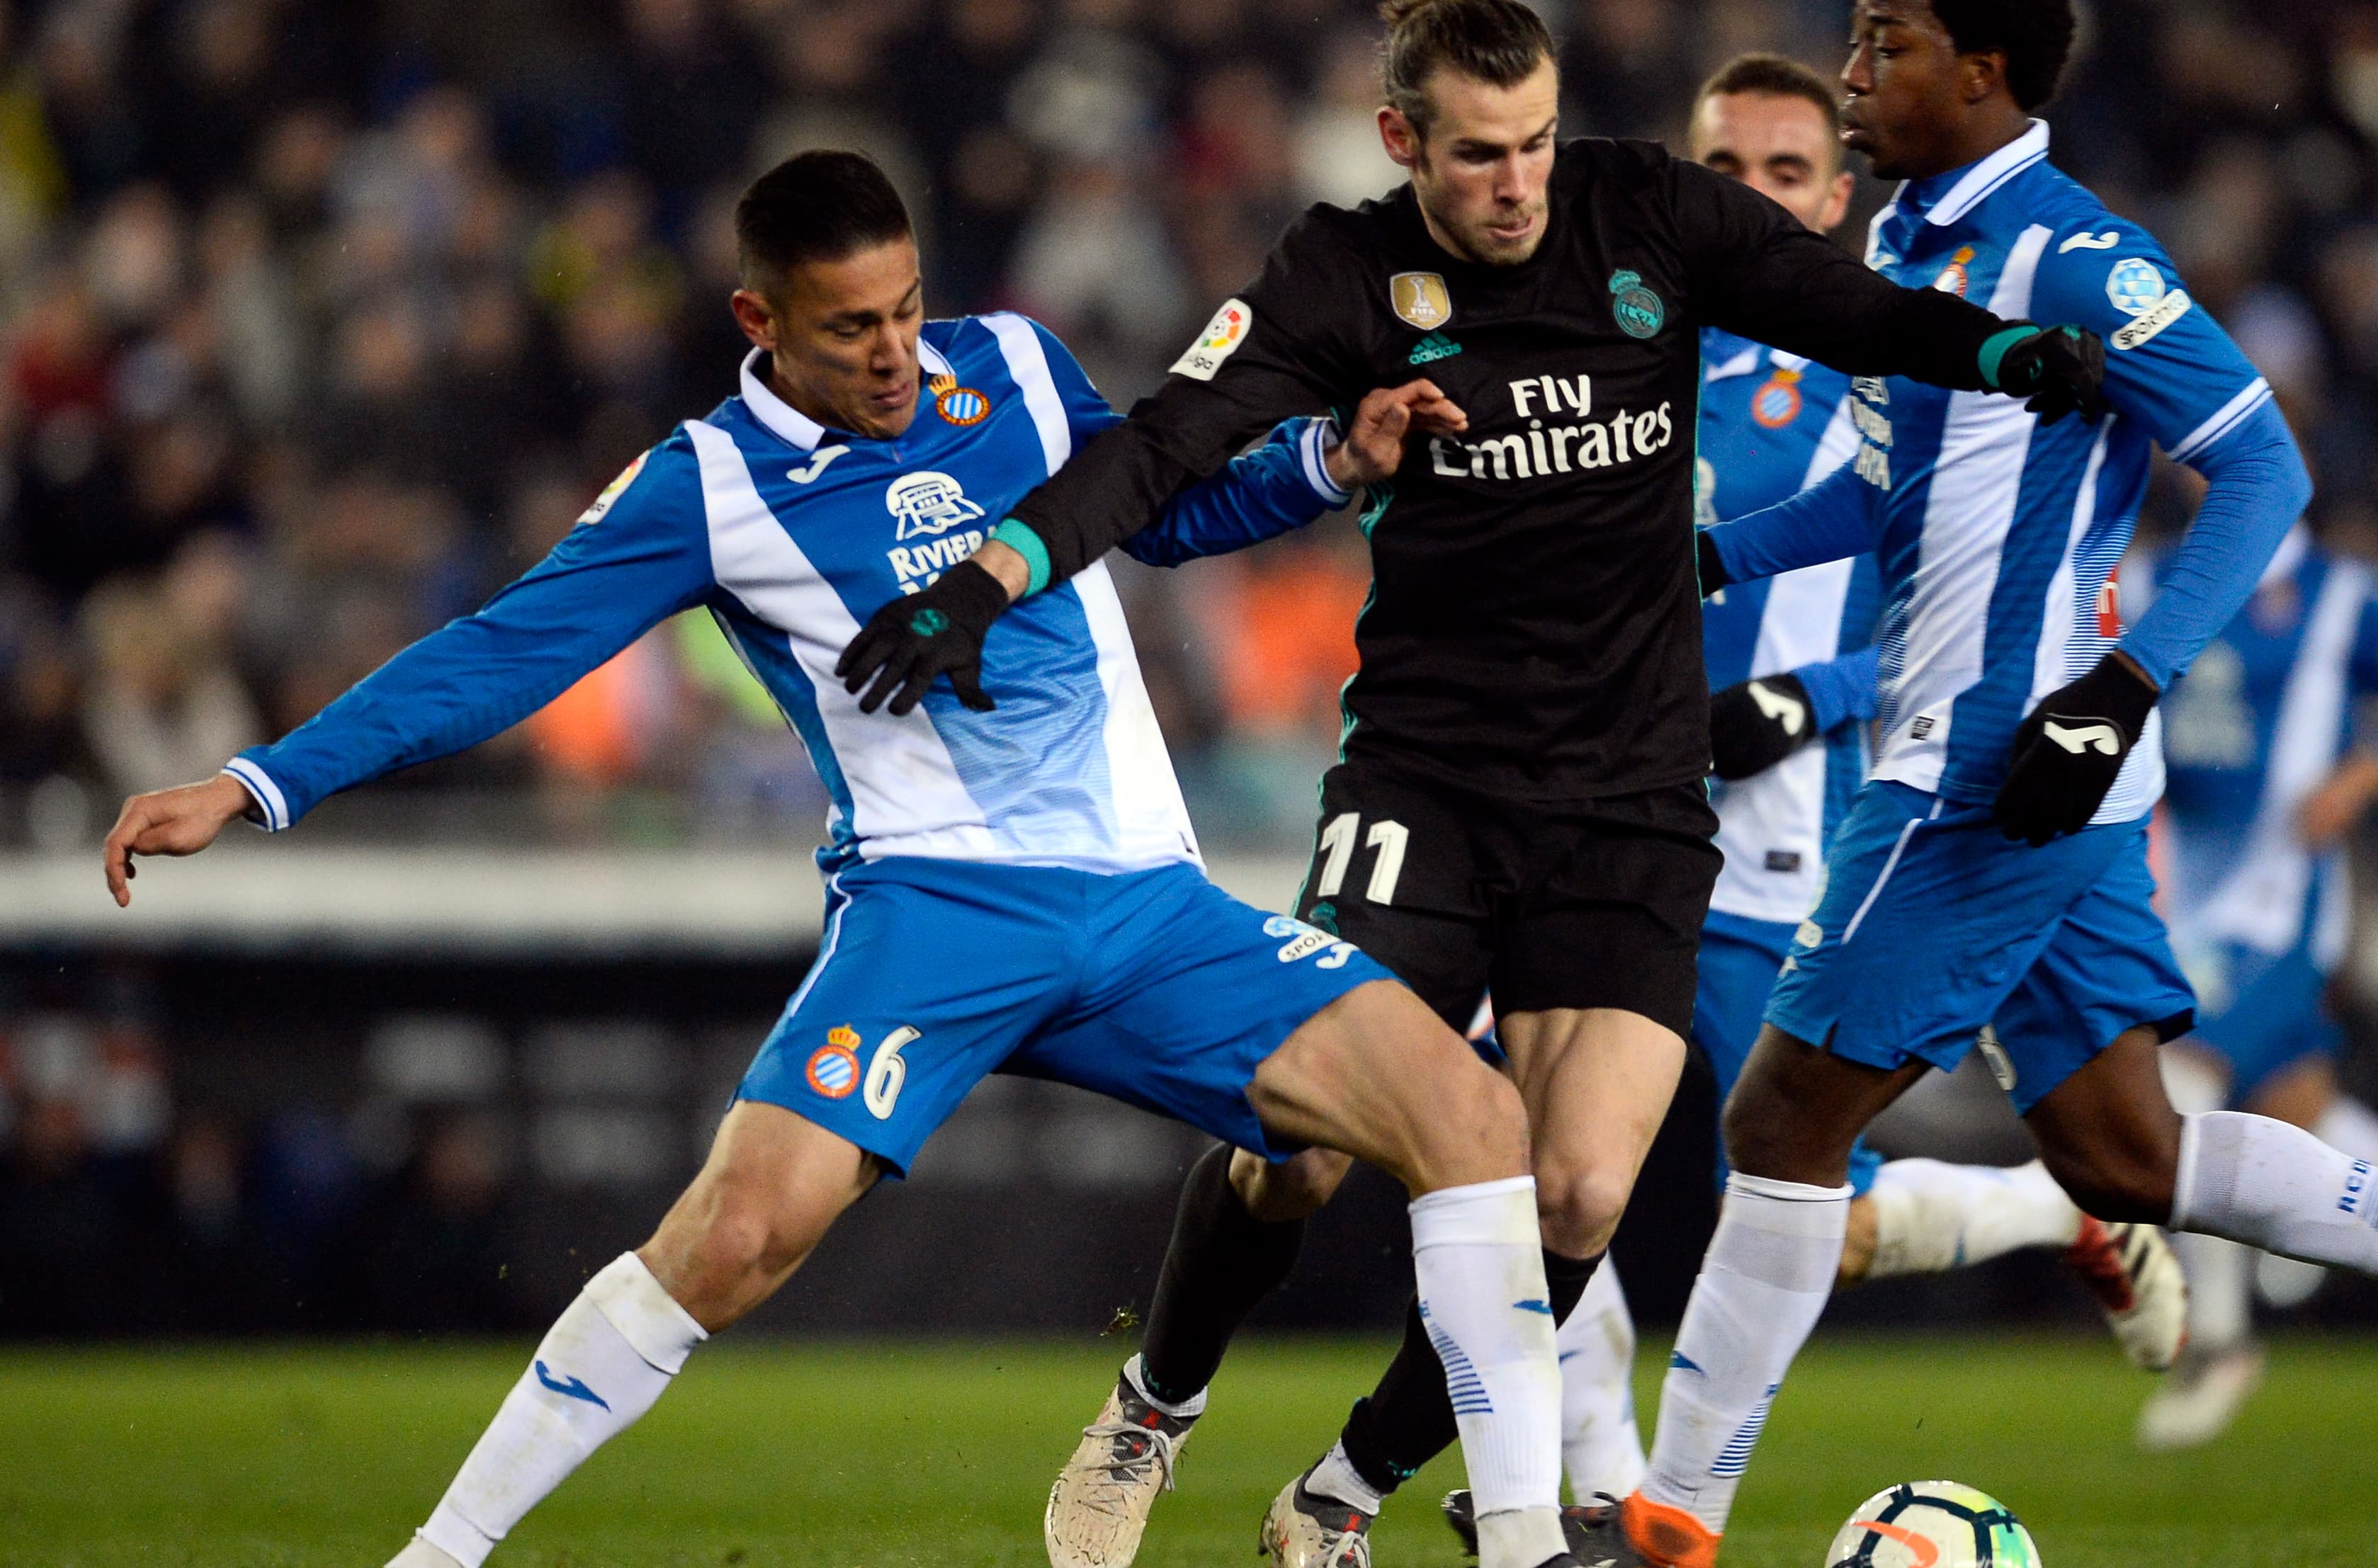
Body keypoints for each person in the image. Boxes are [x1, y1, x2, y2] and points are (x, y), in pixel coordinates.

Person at [99, 150, 1595, 1568]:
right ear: (760, 319)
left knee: (1467, 1116)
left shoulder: (1009, 365)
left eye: (906, 311)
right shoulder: (708, 483)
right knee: (736, 1239)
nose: (894, 354)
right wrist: (258, 780)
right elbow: (504, 654)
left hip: (1150, 910)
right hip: (936, 911)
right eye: (851, 328)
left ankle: (1515, 1539)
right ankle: (443, 1551)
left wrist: (1334, 458)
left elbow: (1162, 506)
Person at [953, 2, 2112, 1561]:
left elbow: (1854, 312)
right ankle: (1155, 1405)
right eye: (1482, 155)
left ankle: (1342, 1495)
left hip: (1630, 794)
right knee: (1297, 1145)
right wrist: (996, 569)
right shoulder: (1340, 272)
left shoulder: (1647, 210)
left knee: (1575, 1198)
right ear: (1402, 143)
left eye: (1537, 145)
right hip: (1425, 782)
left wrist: (2002, 350)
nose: (1518, 184)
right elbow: (1166, 448)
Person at [1561, 4, 2378, 1562]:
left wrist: (2127, 681)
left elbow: (2264, 464)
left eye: (1886, 43)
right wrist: (1703, 556)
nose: (1854, 69)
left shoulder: (2072, 256)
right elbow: (1888, 493)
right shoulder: (1905, 246)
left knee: (1784, 1122)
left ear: (1982, 71)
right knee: (2127, 1155)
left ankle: (1667, 1522)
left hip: (1984, 770)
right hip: (2029, 775)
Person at [1542, 52, 2185, 1506]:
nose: (1749, 198)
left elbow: (1933, 610)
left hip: (1774, 843)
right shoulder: (1607, 351)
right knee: (1520, 1161)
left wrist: (1798, 695)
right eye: (1721, 172)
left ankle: (2061, 1212)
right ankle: (1595, 1491)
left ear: (1833, 198)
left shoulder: (1871, 366)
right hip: (1596, 821)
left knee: (1785, 1196)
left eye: (1782, 174)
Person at [2130, 521, 2378, 1449]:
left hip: (2286, 898)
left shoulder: (2347, 594)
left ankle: (2216, 1342)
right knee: (2301, 1112)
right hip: (2183, 896)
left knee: (2179, 1078)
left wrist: (2361, 775)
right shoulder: (2145, 580)